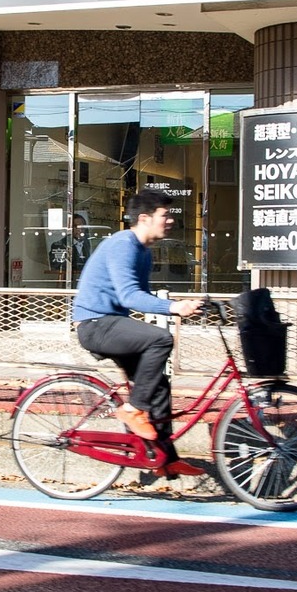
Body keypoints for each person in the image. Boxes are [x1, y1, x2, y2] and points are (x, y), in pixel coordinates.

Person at [71, 187, 205, 476]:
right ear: (144, 218)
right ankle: (133, 410)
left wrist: (184, 305)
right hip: (95, 324)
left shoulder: (143, 252)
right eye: (165, 215)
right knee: (160, 338)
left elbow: (139, 298)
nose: (170, 220)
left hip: (110, 323)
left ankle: (163, 459)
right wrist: (174, 307)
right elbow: (130, 297)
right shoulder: (123, 244)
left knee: (158, 385)